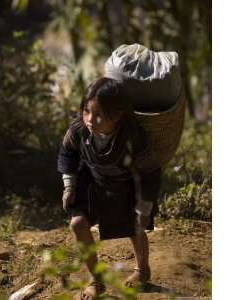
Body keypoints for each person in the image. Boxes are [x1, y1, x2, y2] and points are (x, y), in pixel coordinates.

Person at [57, 77, 161, 300]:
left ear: (118, 114)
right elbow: (67, 153)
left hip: (126, 188)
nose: (90, 120)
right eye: (86, 111)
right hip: (93, 185)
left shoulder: (133, 137)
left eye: (99, 115)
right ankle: (96, 279)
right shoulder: (78, 130)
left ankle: (142, 271)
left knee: (135, 227)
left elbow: (150, 172)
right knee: (77, 223)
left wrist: (143, 207)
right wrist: (69, 186)